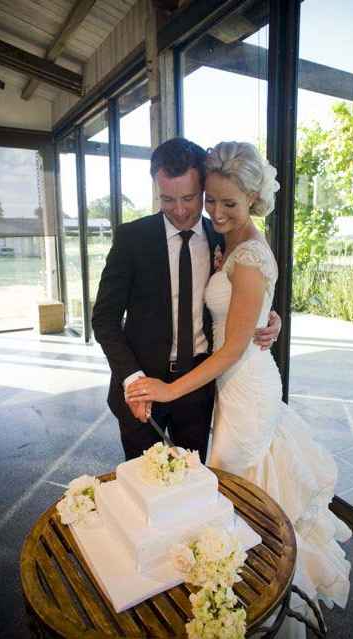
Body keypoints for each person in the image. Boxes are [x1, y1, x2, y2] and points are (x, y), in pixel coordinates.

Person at [127, 141, 351, 636]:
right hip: (230, 386)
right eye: (211, 201)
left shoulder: (247, 252)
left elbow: (230, 347)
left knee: (245, 491)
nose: (214, 212)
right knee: (239, 491)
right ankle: (241, 592)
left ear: (252, 196)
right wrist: (266, 316)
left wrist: (167, 390)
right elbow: (241, 311)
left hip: (245, 384)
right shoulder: (224, 238)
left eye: (228, 202)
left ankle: (261, 598)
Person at [92, 138, 280, 463]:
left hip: (199, 388)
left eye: (190, 198)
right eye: (167, 198)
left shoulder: (223, 235)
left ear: (203, 187)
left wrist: (269, 318)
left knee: (194, 489)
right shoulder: (131, 239)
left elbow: (244, 293)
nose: (179, 209)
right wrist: (134, 381)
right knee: (146, 489)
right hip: (142, 386)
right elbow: (104, 319)